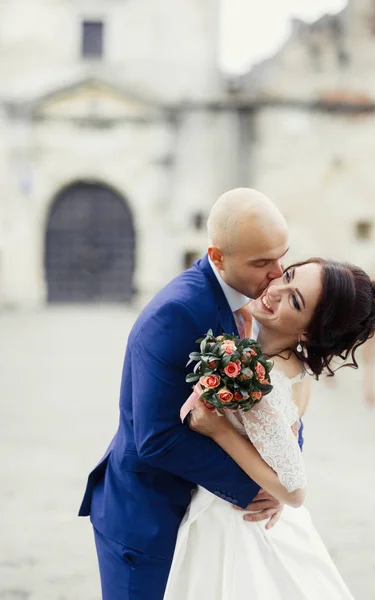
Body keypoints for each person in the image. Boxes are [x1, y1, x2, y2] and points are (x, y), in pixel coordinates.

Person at [78, 188, 296, 600]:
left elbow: (277, 403)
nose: (278, 272)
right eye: (262, 262)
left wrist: (281, 473)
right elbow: (156, 436)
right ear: (217, 257)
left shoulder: (257, 307)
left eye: (282, 255)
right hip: (146, 515)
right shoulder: (176, 313)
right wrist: (255, 489)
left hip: (207, 517)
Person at [164, 258, 375, 600]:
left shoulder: (266, 378)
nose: (276, 291)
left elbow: (294, 489)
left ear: (309, 330)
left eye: (295, 301)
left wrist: (219, 430)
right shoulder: (285, 362)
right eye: (288, 276)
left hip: (235, 525)